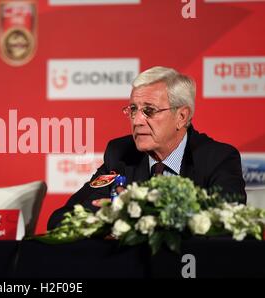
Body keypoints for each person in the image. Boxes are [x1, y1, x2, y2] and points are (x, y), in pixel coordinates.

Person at [48, 66, 246, 229]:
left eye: (149, 111)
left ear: (181, 117)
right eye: (133, 109)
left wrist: (133, 215)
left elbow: (227, 223)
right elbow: (62, 219)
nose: (137, 120)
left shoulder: (217, 158)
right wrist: (105, 216)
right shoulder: (120, 155)